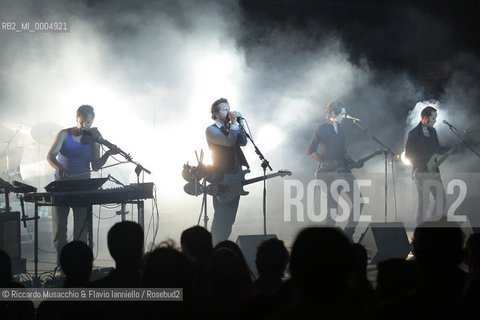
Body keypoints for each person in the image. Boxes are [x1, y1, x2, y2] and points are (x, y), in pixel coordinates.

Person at [47, 105, 115, 263]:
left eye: (88, 122)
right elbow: (50, 156)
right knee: (60, 230)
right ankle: (61, 265)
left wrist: (108, 154)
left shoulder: (94, 138)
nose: (85, 125)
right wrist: (60, 167)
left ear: (93, 121)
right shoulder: (64, 134)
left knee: (81, 229)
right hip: (62, 187)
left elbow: (96, 166)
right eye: (82, 122)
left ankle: (80, 264)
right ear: (77, 119)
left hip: (83, 187)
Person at [307, 101, 363, 240]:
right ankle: (329, 240)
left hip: (344, 170)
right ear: (333, 113)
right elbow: (310, 151)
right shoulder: (321, 129)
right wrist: (325, 162)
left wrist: (354, 162)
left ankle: (348, 234)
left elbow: (344, 152)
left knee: (359, 201)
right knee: (333, 207)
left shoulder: (342, 129)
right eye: (342, 113)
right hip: (329, 173)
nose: (344, 116)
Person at [206, 98, 248, 245]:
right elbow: (228, 143)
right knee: (221, 219)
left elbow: (243, 142)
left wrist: (240, 124)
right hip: (222, 179)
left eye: (228, 109)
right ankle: (214, 248)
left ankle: (220, 246)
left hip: (235, 178)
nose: (228, 112)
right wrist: (235, 125)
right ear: (216, 113)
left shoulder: (232, 128)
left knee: (229, 220)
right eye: (224, 109)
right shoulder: (211, 130)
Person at [405, 105, 449, 227]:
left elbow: (438, 149)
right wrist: (423, 166)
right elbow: (408, 155)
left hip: (434, 172)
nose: (435, 121)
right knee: (423, 203)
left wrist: (453, 148)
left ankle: (433, 227)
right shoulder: (414, 133)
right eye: (433, 118)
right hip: (421, 173)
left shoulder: (433, 131)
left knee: (441, 200)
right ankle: (419, 234)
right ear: (425, 118)